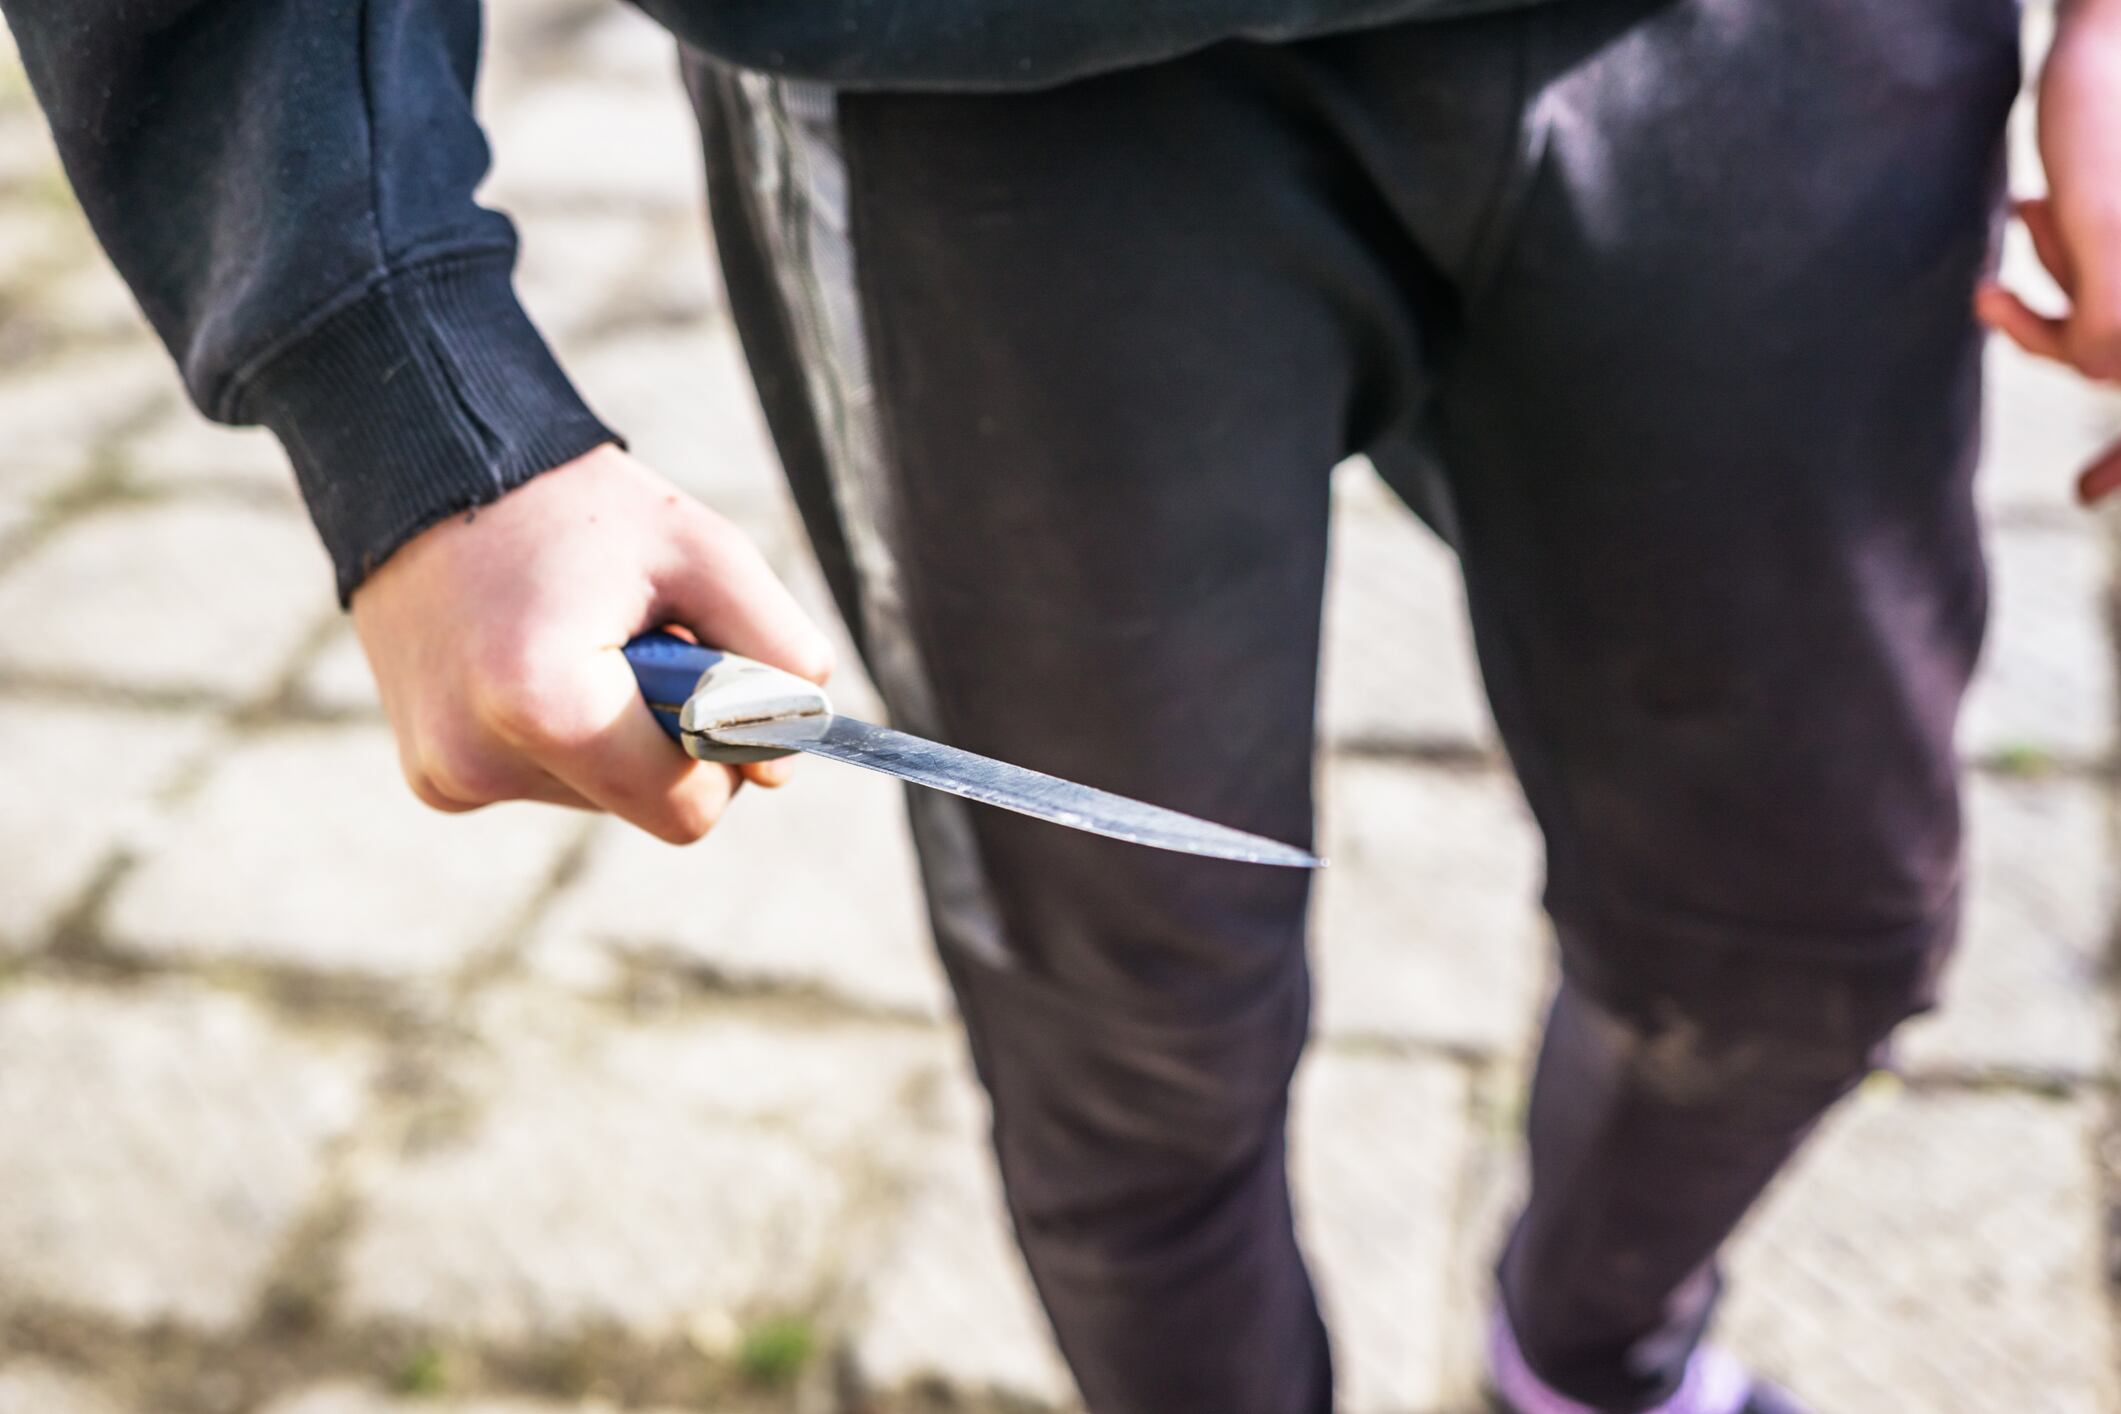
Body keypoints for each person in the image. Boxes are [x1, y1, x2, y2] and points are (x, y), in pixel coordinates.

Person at [8, 0, 2119, 1409]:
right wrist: (388, 366)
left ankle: (1589, 1355)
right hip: (975, 82)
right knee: (1131, 1023)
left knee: (1808, 925)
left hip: (1785, 48)